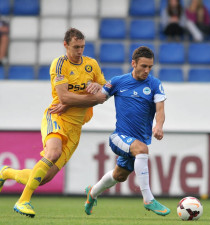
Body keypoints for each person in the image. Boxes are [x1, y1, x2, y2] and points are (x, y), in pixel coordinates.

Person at [0, 28, 107, 217]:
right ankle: (23, 201)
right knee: (53, 152)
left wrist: (99, 86)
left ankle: (6, 173)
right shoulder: (59, 65)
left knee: (43, 178)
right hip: (56, 117)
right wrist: (93, 99)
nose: (80, 51)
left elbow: (105, 91)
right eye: (75, 47)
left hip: (76, 128)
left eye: (82, 47)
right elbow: (64, 98)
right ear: (65, 45)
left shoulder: (92, 65)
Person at [84, 46, 170, 216]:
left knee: (119, 175)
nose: (147, 70)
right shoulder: (118, 81)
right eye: (143, 66)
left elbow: (160, 110)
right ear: (133, 63)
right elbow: (98, 98)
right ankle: (148, 199)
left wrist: (159, 126)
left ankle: (92, 192)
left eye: (150, 67)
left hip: (139, 140)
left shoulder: (154, 84)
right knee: (142, 149)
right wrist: (91, 87)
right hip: (119, 137)